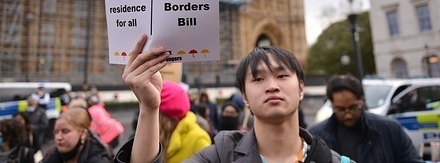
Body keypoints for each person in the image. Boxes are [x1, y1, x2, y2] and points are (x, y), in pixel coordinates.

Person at [115, 33, 354, 163]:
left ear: (301, 88)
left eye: (281, 76)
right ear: (244, 96)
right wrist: (149, 107)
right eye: (258, 79)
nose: (271, 86)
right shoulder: (220, 156)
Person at [308, 74, 423, 163]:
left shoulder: (390, 129)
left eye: (353, 107)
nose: (348, 115)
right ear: (332, 105)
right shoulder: (316, 137)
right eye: (341, 109)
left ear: (361, 101)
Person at [41, 107, 112, 163]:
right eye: (56, 132)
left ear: (83, 134)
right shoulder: (52, 155)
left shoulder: (99, 159)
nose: (58, 137)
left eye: (65, 131)